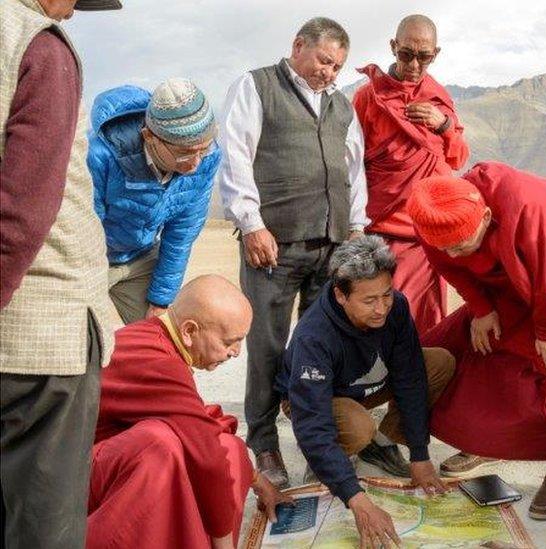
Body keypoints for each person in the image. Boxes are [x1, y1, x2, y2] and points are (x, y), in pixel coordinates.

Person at [406, 162, 546, 520]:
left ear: (485, 216)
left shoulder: (545, 218)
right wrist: (481, 306)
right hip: (507, 278)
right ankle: (487, 443)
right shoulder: (439, 216)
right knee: (478, 349)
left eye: (460, 246)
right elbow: (446, 261)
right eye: (446, 247)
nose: (453, 254)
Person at [217, 16, 370, 487]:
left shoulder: (341, 106)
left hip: (330, 248)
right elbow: (236, 153)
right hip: (272, 246)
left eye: (338, 66)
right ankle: (263, 444)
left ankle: (316, 441)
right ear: (298, 46)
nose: (330, 72)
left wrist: (357, 225)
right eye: (324, 60)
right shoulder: (257, 86)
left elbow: (354, 169)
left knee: (321, 347)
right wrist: (252, 224)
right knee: (266, 346)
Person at [0, 0, 121, 547]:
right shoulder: (40, 46)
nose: (72, 12)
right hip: (39, 337)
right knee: (44, 523)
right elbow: (23, 211)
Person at [87, 275, 292, 549]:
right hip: (69, 479)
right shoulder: (160, 362)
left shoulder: (154, 338)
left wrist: (258, 480)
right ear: (189, 331)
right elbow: (207, 457)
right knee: (161, 443)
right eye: (230, 341)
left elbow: (202, 426)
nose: (236, 352)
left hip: (98, 462)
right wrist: (224, 544)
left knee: (227, 447)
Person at [278, 236, 452, 546]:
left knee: (438, 363)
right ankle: (331, 461)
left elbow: (410, 377)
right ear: (340, 295)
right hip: (314, 399)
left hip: (367, 386)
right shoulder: (314, 336)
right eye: (369, 300)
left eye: (386, 294)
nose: (381, 308)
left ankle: (382, 441)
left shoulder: (395, 308)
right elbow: (312, 421)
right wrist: (355, 497)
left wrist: (420, 454)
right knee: (357, 427)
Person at [353, 14, 469, 335]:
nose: (414, 65)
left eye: (424, 57)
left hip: (426, 237)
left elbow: (458, 156)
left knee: (425, 327)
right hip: (381, 232)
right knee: (379, 322)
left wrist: (443, 124)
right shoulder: (368, 98)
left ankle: (423, 384)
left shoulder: (438, 97)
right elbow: (351, 165)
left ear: (436, 54)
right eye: (406, 54)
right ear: (393, 47)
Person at [88, 77, 221, 324]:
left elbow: (182, 232)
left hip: (142, 256)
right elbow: (83, 232)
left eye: (202, 150)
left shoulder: (206, 159)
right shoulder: (100, 156)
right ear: (149, 136)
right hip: (92, 259)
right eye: (184, 153)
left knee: (158, 339)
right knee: (84, 345)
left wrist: (161, 300)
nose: (194, 165)